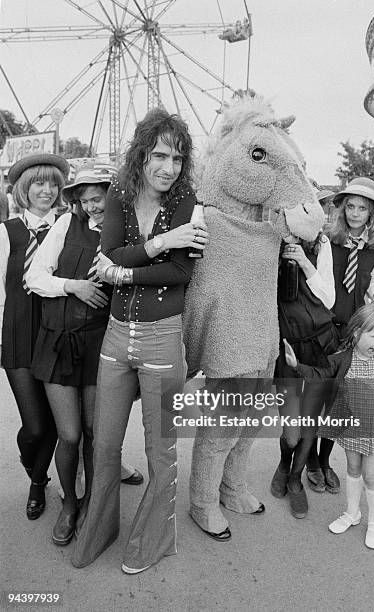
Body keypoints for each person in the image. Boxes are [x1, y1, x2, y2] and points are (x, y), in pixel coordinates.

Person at [72, 109, 208, 574]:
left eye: (177, 157)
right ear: (142, 154)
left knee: (161, 449)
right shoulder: (119, 193)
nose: (169, 167)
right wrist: (160, 241)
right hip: (114, 340)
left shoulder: (189, 199)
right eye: (160, 155)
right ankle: (99, 529)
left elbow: (181, 272)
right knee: (105, 444)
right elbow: (108, 252)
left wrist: (123, 273)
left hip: (162, 341)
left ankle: (152, 540)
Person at [27, 161, 140, 545]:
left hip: (99, 346)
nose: (93, 205)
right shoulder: (64, 225)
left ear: (113, 196)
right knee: (70, 434)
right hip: (58, 342)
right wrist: (73, 286)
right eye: (86, 199)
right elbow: (34, 277)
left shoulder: (124, 234)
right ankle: (70, 504)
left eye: (99, 197)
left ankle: (93, 503)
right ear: (76, 200)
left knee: (95, 433)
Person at [285, 304, 374, 549]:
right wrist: (296, 366)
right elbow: (319, 375)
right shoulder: (341, 360)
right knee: (352, 468)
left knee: (371, 476)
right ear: (356, 333)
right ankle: (352, 513)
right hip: (351, 428)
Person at [306, 177, 374, 494]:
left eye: (362, 208)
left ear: (371, 214)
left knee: (339, 403)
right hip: (324, 328)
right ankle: (309, 460)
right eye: (350, 206)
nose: (355, 213)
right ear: (341, 209)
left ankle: (325, 460)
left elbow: (371, 294)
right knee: (315, 397)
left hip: (353, 334)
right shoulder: (327, 240)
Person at [0, 153, 69, 520]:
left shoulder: (69, 225)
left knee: (58, 422)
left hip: (57, 336)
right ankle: (31, 458)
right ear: (24, 190)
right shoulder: (7, 231)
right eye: (38, 183)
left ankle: (37, 482)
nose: (46, 190)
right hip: (17, 334)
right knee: (34, 425)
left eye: (53, 183)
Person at [270, 234, 339, 518]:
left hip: (320, 346)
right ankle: (284, 462)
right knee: (291, 430)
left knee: (309, 423)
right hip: (286, 348)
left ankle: (295, 478)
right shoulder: (269, 239)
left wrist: (303, 262)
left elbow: (329, 299)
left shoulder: (320, 244)